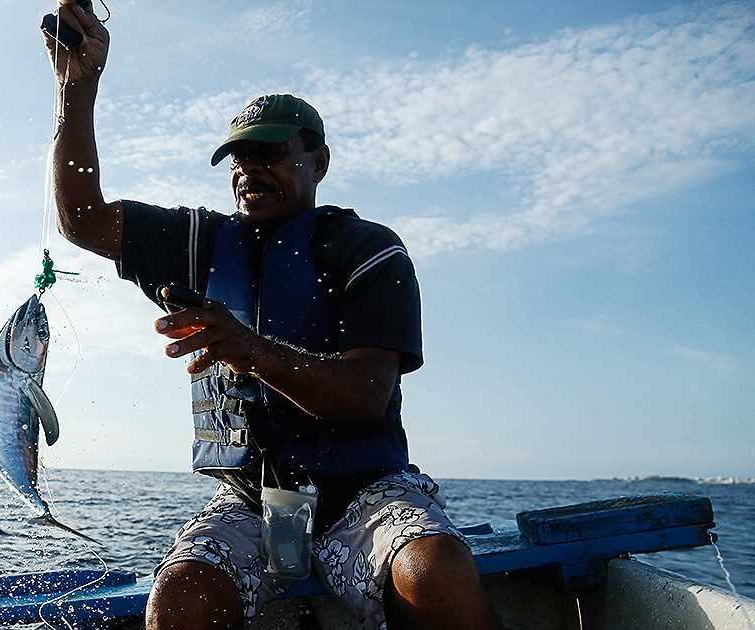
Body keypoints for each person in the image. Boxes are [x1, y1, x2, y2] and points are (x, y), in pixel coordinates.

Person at [41, 2, 499, 628]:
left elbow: (366, 396)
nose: (249, 169)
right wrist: (77, 89)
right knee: (180, 598)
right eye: (238, 158)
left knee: (436, 570)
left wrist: (249, 350)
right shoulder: (197, 243)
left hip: (364, 493)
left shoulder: (369, 250)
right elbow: (82, 219)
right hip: (247, 500)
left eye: (270, 153)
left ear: (319, 162)